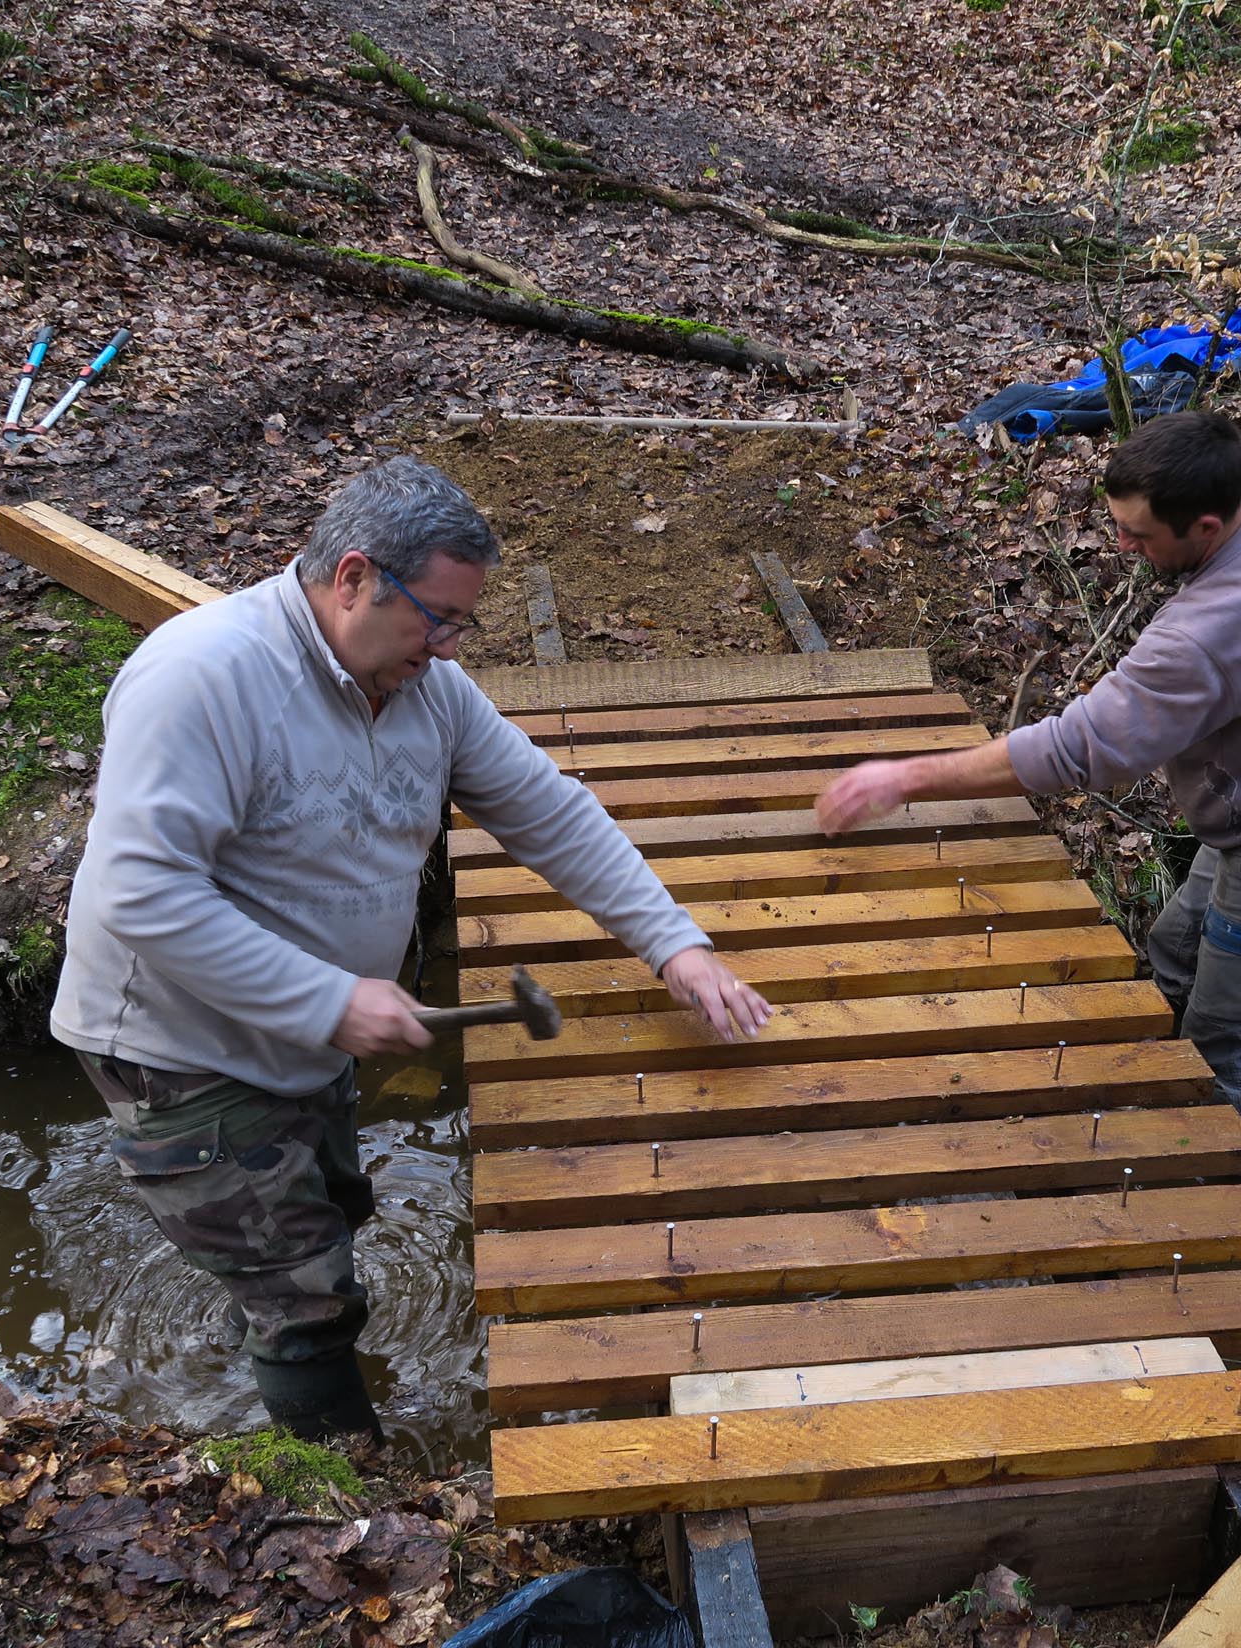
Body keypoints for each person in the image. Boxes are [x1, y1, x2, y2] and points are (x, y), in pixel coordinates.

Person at [51, 455, 772, 1443]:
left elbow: (548, 812)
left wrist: (674, 945)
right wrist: (330, 1002)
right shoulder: (202, 678)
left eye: (460, 623)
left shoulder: (425, 686)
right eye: (435, 618)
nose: (445, 646)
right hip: (182, 1052)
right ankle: (350, 1497)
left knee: (331, 1211)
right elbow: (142, 889)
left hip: (312, 1031)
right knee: (307, 1300)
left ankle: (257, 1299)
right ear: (353, 578)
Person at [816, 411, 1241, 1179]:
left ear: (1207, 526)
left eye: (1139, 537)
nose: (1122, 547)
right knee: (1176, 947)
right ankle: (1164, 1094)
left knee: (1237, 1044)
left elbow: (1077, 749)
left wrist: (904, 777)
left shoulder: (1203, 633)